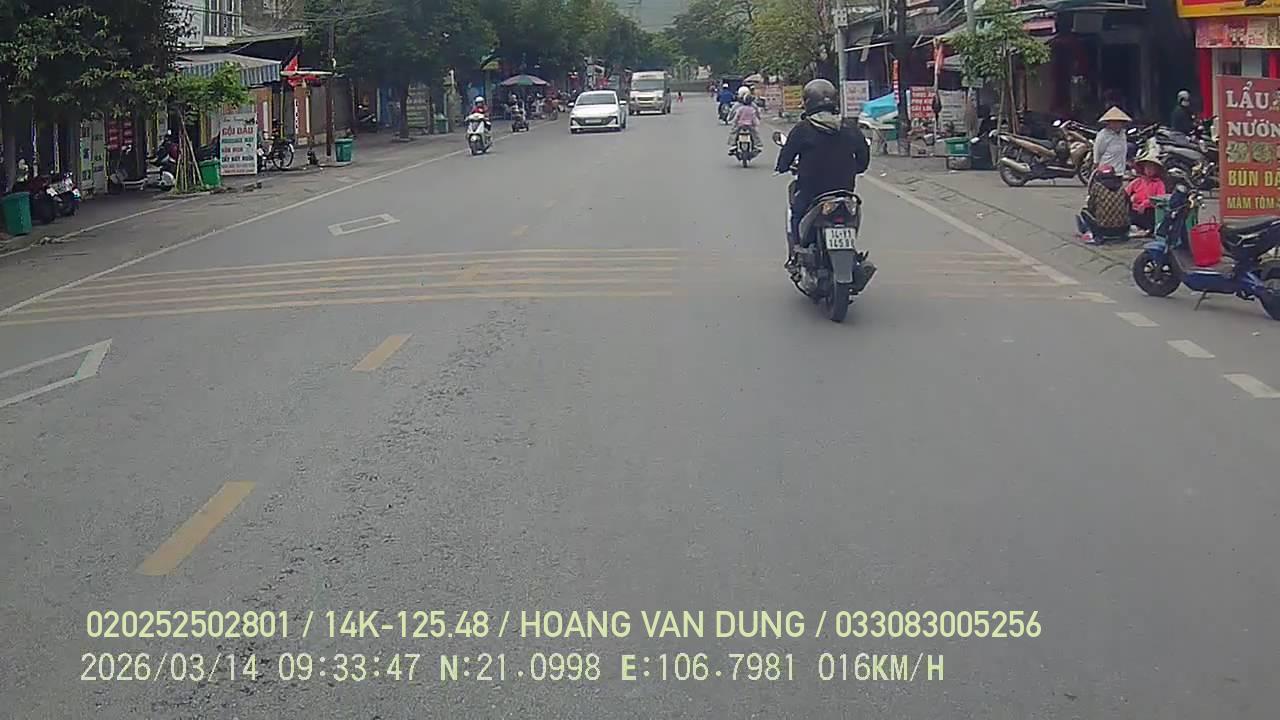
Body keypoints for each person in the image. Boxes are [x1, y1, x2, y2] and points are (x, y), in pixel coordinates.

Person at [774, 78, 871, 267]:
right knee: (851, 216)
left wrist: (782, 167)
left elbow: (786, 155)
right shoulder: (848, 127)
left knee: (796, 214)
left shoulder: (803, 129)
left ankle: (796, 254)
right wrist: (857, 168)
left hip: (812, 192)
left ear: (808, 102)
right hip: (845, 192)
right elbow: (863, 155)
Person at [1076, 165, 1130, 244]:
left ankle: (1094, 234)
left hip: (1103, 229)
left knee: (1084, 212)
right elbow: (1128, 204)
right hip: (1123, 229)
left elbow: (1091, 206)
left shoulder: (1097, 187)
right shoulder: (1122, 188)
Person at [1125, 151, 1166, 235]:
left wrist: (1145, 204)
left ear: (1156, 170)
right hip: (1135, 210)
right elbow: (1125, 192)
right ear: (1143, 168)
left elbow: (1161, 199)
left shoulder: (1159, 184)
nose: (1149, 170)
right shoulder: (1138, 181)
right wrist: (1132, 200)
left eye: (1152, 168)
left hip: (1150, 211)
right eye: (1147, 167)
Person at [1093, 106, 1130, 177]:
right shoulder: (1103, 134)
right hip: (1106, 169)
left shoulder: (1122, 134)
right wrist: (1096, 164)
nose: (1116, 124)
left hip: (1120, 170)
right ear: (1109, 122)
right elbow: (1097, 150)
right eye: (1113, 122)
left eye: (1118, 122)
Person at [726, 86, 762, 154]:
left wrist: (730, 119)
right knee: (755, 133)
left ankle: (733, 145)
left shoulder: (737, 106)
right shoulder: (753, 105)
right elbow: (756, 114)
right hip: (750, 124)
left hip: (740, 124)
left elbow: (733, 114)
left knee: (733, 132)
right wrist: (757, 121)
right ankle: (757, 145)